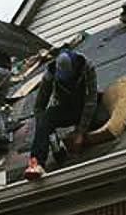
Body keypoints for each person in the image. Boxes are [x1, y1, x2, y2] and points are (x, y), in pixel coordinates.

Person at [24, 50, 99, 181]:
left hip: (85, 109)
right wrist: (50, 135)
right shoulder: (51, 73)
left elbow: (91, 100)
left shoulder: (87, 67)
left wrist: (80, 132)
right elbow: (39, 107)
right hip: (66, 108)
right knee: (46, 118)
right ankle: (36, 163)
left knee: (99, 118)